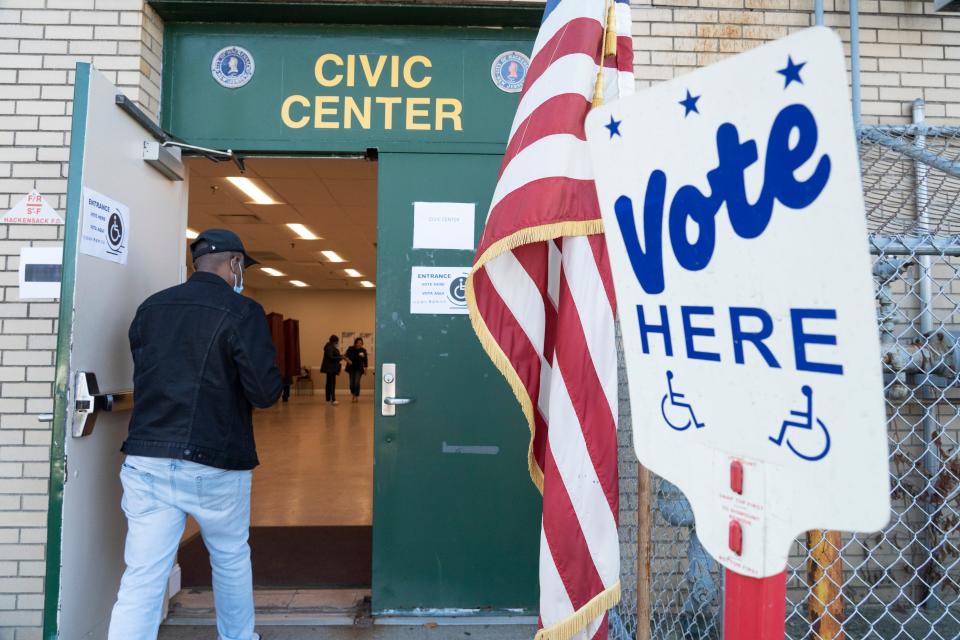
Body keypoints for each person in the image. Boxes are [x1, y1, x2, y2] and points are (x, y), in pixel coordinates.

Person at [108, 229, 282, 640]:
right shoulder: (243, 311)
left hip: (146, 457)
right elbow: (264, 393)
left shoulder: (150, 308)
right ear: (235, 264)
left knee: (144, 573)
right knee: (229, 558)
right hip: (214, 460)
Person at [321, 335, 344, 405]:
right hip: (330, 368)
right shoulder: (330, 347)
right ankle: (333, 399)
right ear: (335, 341)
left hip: (331, 368)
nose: (338, 343)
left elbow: (333, 356)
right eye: (337, 341)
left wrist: (340, 356)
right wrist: (341, 357)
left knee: (329, 384)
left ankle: (328, 399)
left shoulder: (330, 346)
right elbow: (331, 357)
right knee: (331, 384)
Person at [344, 337, 369, 403]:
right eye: (358, 343)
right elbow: (345, 356)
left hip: (359, 369)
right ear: (355, 343)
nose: (359, 344)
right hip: (351, 368)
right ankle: (353, 393)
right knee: (351, 384)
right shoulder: (350, 348)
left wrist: (366, 369)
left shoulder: (363, 350)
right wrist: (348, 360)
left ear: (362, 344)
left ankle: (355, 396)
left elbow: (365, 360)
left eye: (361, 343)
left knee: (356, 382)